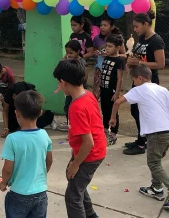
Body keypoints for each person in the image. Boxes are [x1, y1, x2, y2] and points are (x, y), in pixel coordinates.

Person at [110, 65, 169, 208]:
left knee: (153, 163)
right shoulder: (162, 89)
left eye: (133, 79)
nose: (133, 82)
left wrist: (113, 118)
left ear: (140, 78)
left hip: (156, 133)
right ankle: (156, 188)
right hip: (167, 131)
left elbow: (118, 101)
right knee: (157, 161)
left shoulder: (139, 89)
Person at [53, 60, 106, 218]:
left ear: (63, 82)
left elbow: (88, 142)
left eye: (58, 82)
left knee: (73, 196)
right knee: (77, 186)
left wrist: (76, 163)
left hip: (90, 154)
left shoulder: (76, 107)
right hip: (92, 150)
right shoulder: (88, 95)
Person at [0, 90, 53, 218]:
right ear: (40, 113)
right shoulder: (44, 135)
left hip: (19, 194)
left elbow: (8, 169)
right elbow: (49, 161)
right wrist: (40, 175)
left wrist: (4, 183)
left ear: (17, 113)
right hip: (40, 193)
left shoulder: (12, 139)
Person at [124, 10, 165, 155]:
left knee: (143, 112)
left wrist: (140, 62)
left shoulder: (156, 40)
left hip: (149, 81)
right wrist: (131, 61)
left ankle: (143, 143)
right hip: (137, 80)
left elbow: (161, 64)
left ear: (145, 24)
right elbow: (139, 56)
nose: (135, 29)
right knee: (135, 110)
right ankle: (141, 139)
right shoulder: (141, 38)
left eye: (136, 26)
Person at [92, 17, 127, 99]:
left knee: (109, 94)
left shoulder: (117, 39)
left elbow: (124, 55)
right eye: (101, 25)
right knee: (96, 93)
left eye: (105, 25)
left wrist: (109, 55)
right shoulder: (97, 38)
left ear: (112, 27)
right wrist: (97, 53)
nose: (102, 27)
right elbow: (94, 52)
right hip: (99, 69)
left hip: (112, 70)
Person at [100, 35, 125, 146]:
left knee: (113, 111)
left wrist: (117, 93)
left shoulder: (119, 61)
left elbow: (120, 78)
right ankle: (105, 130)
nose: (107, 48)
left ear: (118, 47)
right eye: (107, 46)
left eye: (110, 46)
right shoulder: (106, 58)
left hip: (112, 90)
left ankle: (113, 133)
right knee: (104, 110)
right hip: (103, 89)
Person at [61, 40, 88, 131]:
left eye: (71, 53)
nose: (68, 55)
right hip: (70, 89)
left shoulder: (81, 62)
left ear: (78, 51)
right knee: (67, 107)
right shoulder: (69, 60)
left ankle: (75, 127)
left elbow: (85, 76)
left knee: (75, 108)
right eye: (67, 52)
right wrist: (66, 56)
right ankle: (70, 126)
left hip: (78, 89)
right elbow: (61, 63)